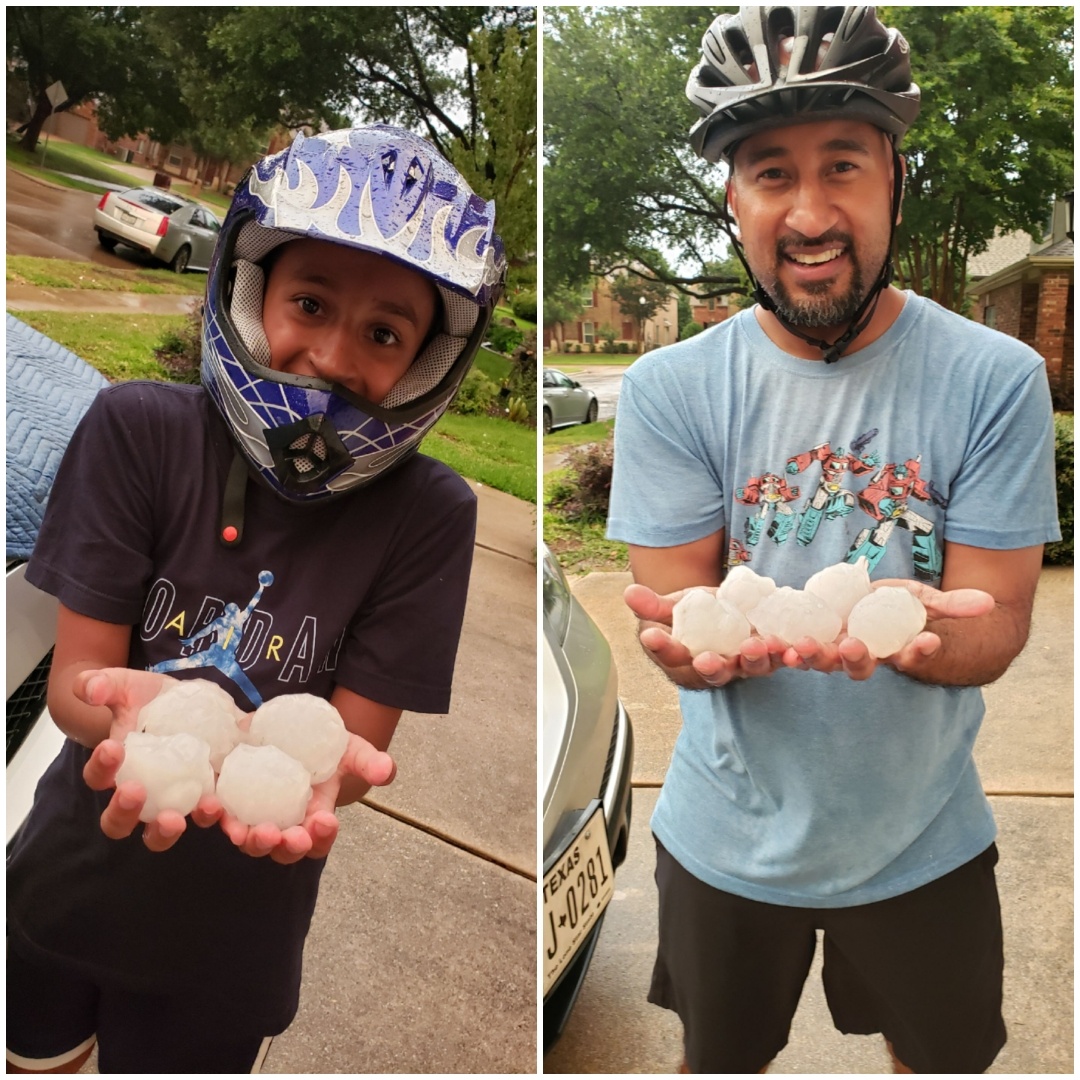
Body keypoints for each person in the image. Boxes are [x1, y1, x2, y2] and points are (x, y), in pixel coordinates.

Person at [606, 7, 1060, 1074]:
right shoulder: (671, 390)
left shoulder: (995, 381)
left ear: (894, 178)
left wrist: (926, 640)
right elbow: (676, 609)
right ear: (733, 200)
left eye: (843, 166)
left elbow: (997, 626)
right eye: (771, 173)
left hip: (925, 843)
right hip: (725, 837)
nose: (810, 212)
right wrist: (686, 648)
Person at [7, 124, 506, 1074]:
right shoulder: (140, 432)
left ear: (427, 364)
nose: (330, 353)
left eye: (384, 333)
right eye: (309, 301)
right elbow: (80, 682)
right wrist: (136, 715)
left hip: (228, 953)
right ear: (248, 290)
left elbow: (352, 759)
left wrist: (316, 776)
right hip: (64, 887)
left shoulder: (428, 515)